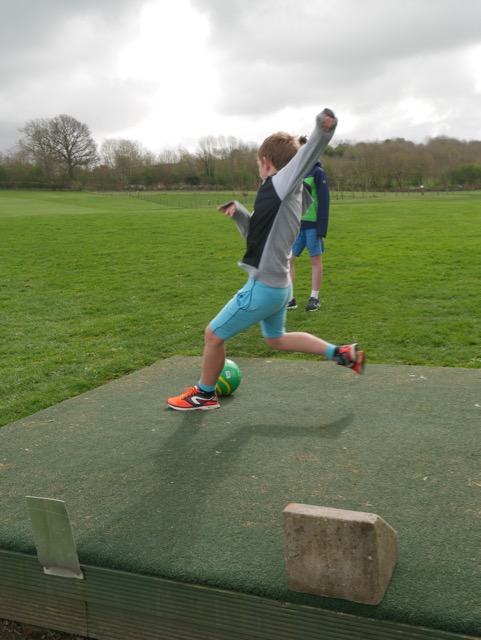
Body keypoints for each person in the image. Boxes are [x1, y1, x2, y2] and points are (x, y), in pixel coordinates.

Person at [167, 108, 365, 411]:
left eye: (258, 163)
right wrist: (240, 214)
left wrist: (323, 131)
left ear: (266, 161)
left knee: (213, 335)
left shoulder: (284, 184)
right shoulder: (280, 195)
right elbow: (258, 237)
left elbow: (306, 157)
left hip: (264, 287)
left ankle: (204, 395)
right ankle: (341, 353)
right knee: (276, 340)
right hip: (280, 287)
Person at [288, 137, 330, 312]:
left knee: (315, 259)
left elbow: (324, 202)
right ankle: (290, 299)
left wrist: (321, 228)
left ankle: (314, 298)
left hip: (313, 225)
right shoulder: (294, 172)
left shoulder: (318, 173)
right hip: (296, 226)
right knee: (288, 260)